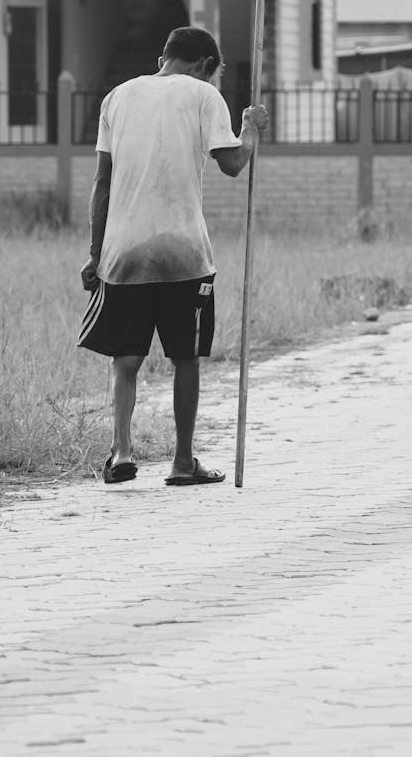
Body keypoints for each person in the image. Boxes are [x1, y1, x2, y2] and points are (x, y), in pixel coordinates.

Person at [77, 26, 269, 486]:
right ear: (204, 65)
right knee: (186, 357)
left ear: (164, 56)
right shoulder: (204, 96)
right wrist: (250, 128)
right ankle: (183, 462)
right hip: (184, 251)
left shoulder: (116, 97)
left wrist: (95, 252)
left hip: (124, 250)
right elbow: (233, 163)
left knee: (125, 358)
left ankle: (121, 452)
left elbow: (102, 181)